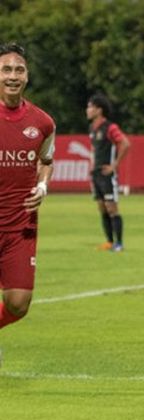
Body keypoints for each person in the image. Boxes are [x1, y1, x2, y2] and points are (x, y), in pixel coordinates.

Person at [0, 43, 56, 340]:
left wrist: (43, 185)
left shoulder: (43, 123)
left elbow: (47, 161)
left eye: (18, 70)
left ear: (27, 76)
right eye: (6, 69)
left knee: (18, 304)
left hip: (22, 225)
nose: (12, 75)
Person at [86, 93, 130, 252]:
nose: (88, 110)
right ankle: (109, 242)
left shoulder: (110, 127)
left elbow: (125, 143)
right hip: (96, 174)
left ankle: (119, 243)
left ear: (99, 109)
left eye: (90, 107)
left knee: (112, 208)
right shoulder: (92, 128)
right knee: (102, 207)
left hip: (107, 174)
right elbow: (94, 149)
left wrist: (114, 165)